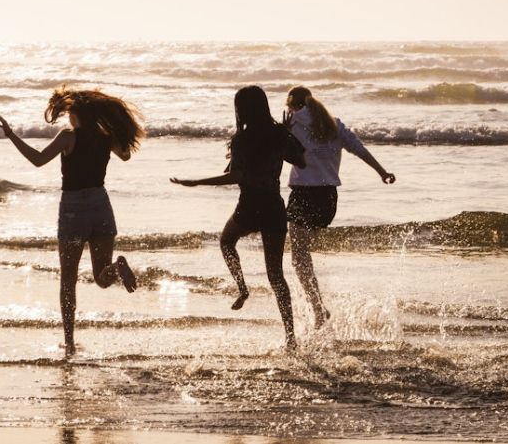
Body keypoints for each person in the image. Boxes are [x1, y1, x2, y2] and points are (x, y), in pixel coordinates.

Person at [0, 87, 144, 357]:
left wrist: (11, 135)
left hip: (74, 213)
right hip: (101, 209)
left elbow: (37, 160)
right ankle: (117, 266)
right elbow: (126, 155)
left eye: (70, 112)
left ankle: (70, 342)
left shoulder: (68, 137)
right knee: (102, 278)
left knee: (68, 281)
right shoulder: (106, 137)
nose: (68, 117)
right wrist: (112, 130)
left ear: (76, 114)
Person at [170, 85, 306, 350]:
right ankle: (290, 337)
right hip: (274, 207)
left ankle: (242, 288)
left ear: (241, 110)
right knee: (276, 275)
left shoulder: (241, 140)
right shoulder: (279, 133)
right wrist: (287, 135)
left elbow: (235, 176)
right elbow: (300, 161)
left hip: (249, 206)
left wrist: (197, 182)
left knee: (226, 241)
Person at [282, 86, 396, 328]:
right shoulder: (334, 124)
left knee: (298, 258)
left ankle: (318, 308)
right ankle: (318, 307)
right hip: (329, 199)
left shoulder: (292, 121)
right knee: (303, 254)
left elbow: (274, 146)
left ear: (292, 105)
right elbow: (360, 150)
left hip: (304, 194)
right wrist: (382, 172)